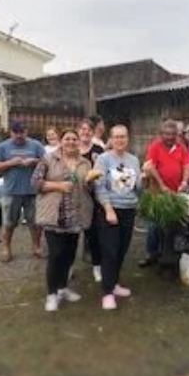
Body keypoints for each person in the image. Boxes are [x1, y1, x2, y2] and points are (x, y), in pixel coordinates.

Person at [32, 129, 97, 312]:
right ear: (61, 141)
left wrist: (91, 182)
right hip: (55, 216)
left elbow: (89, 188)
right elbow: (35, 183)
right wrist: (58, 185)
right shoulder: (48, 159)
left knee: (69, 255)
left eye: (74, 139)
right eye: (67, 139)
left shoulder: (85, 162)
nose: (71, 142)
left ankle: (63, 288)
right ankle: (51, 294)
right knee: (56, 255)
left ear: (78, 142)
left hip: (76, 216)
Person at [94, 125, 143, 310]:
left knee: (122, 249)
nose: (120, 140)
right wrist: (108, 209)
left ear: (127, 138)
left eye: (123, 136)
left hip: (129, 209)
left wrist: (143, 178)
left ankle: (114, 284)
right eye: (116, 137)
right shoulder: (103, 159)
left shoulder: (133, 160)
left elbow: (137, 188)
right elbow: (99, 186)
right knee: (110, 251)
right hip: (110, 210)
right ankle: (107, 292)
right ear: (111, 139)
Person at [0, 120, 45, 262]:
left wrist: (34, 161)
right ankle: (6, 248)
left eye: (22, 132)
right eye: (16, 132)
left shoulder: (36, 145)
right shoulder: (3, 147)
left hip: (32, 191)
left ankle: (36, 246)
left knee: (35, 223)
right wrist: (11, 162)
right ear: (11, 132)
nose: (19, 135)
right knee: (9, 223)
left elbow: (47, 162)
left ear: (26, 132)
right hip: (11, 191)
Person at [141, 120, 189, 267]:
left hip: (175, 194)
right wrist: (161, 184)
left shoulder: (181, 147)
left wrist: (184, 181)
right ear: (161, 134)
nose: (169, 137)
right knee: (154, 225)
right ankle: (151, 253)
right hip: (157, 194)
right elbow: (150, 166)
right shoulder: (155, 146)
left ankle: (166, 254)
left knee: (171, 225)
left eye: (172, 134)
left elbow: (187, 166)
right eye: (166, 134)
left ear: (177, 135)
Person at [78, 118, 105, 282]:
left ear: (93, 132)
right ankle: (68, 266)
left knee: (93, 233)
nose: (85, 132)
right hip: (74, 195)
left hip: (93, 196)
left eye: (89, 129)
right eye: (82, 129)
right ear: (78, 131)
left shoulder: (98, 150)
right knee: (71, 233)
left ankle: (97, 266)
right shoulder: (72, 147)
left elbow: (103, 171)